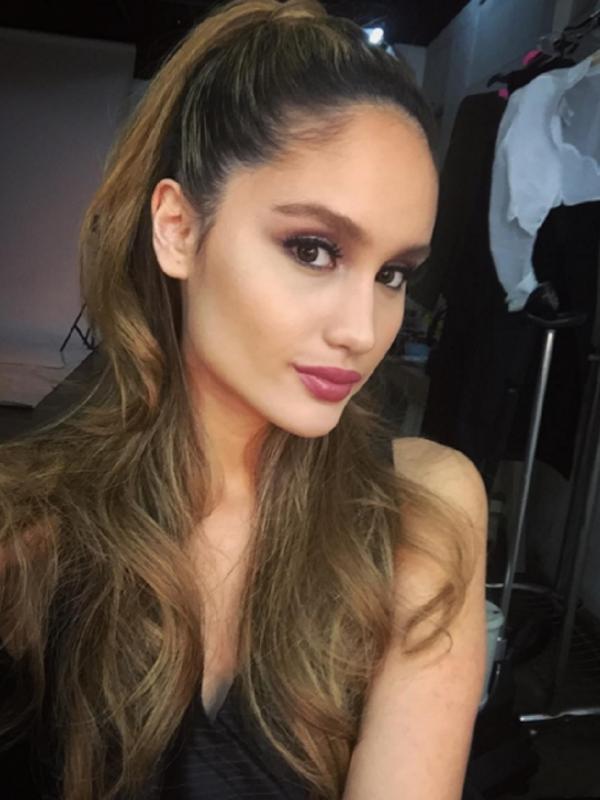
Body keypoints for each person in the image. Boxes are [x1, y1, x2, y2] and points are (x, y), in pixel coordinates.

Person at [0, 1, 488, 798]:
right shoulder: (31, 532)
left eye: (393, 274)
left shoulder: (423, 516)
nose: (363, 330)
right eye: (313, 249)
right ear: (178, 229)